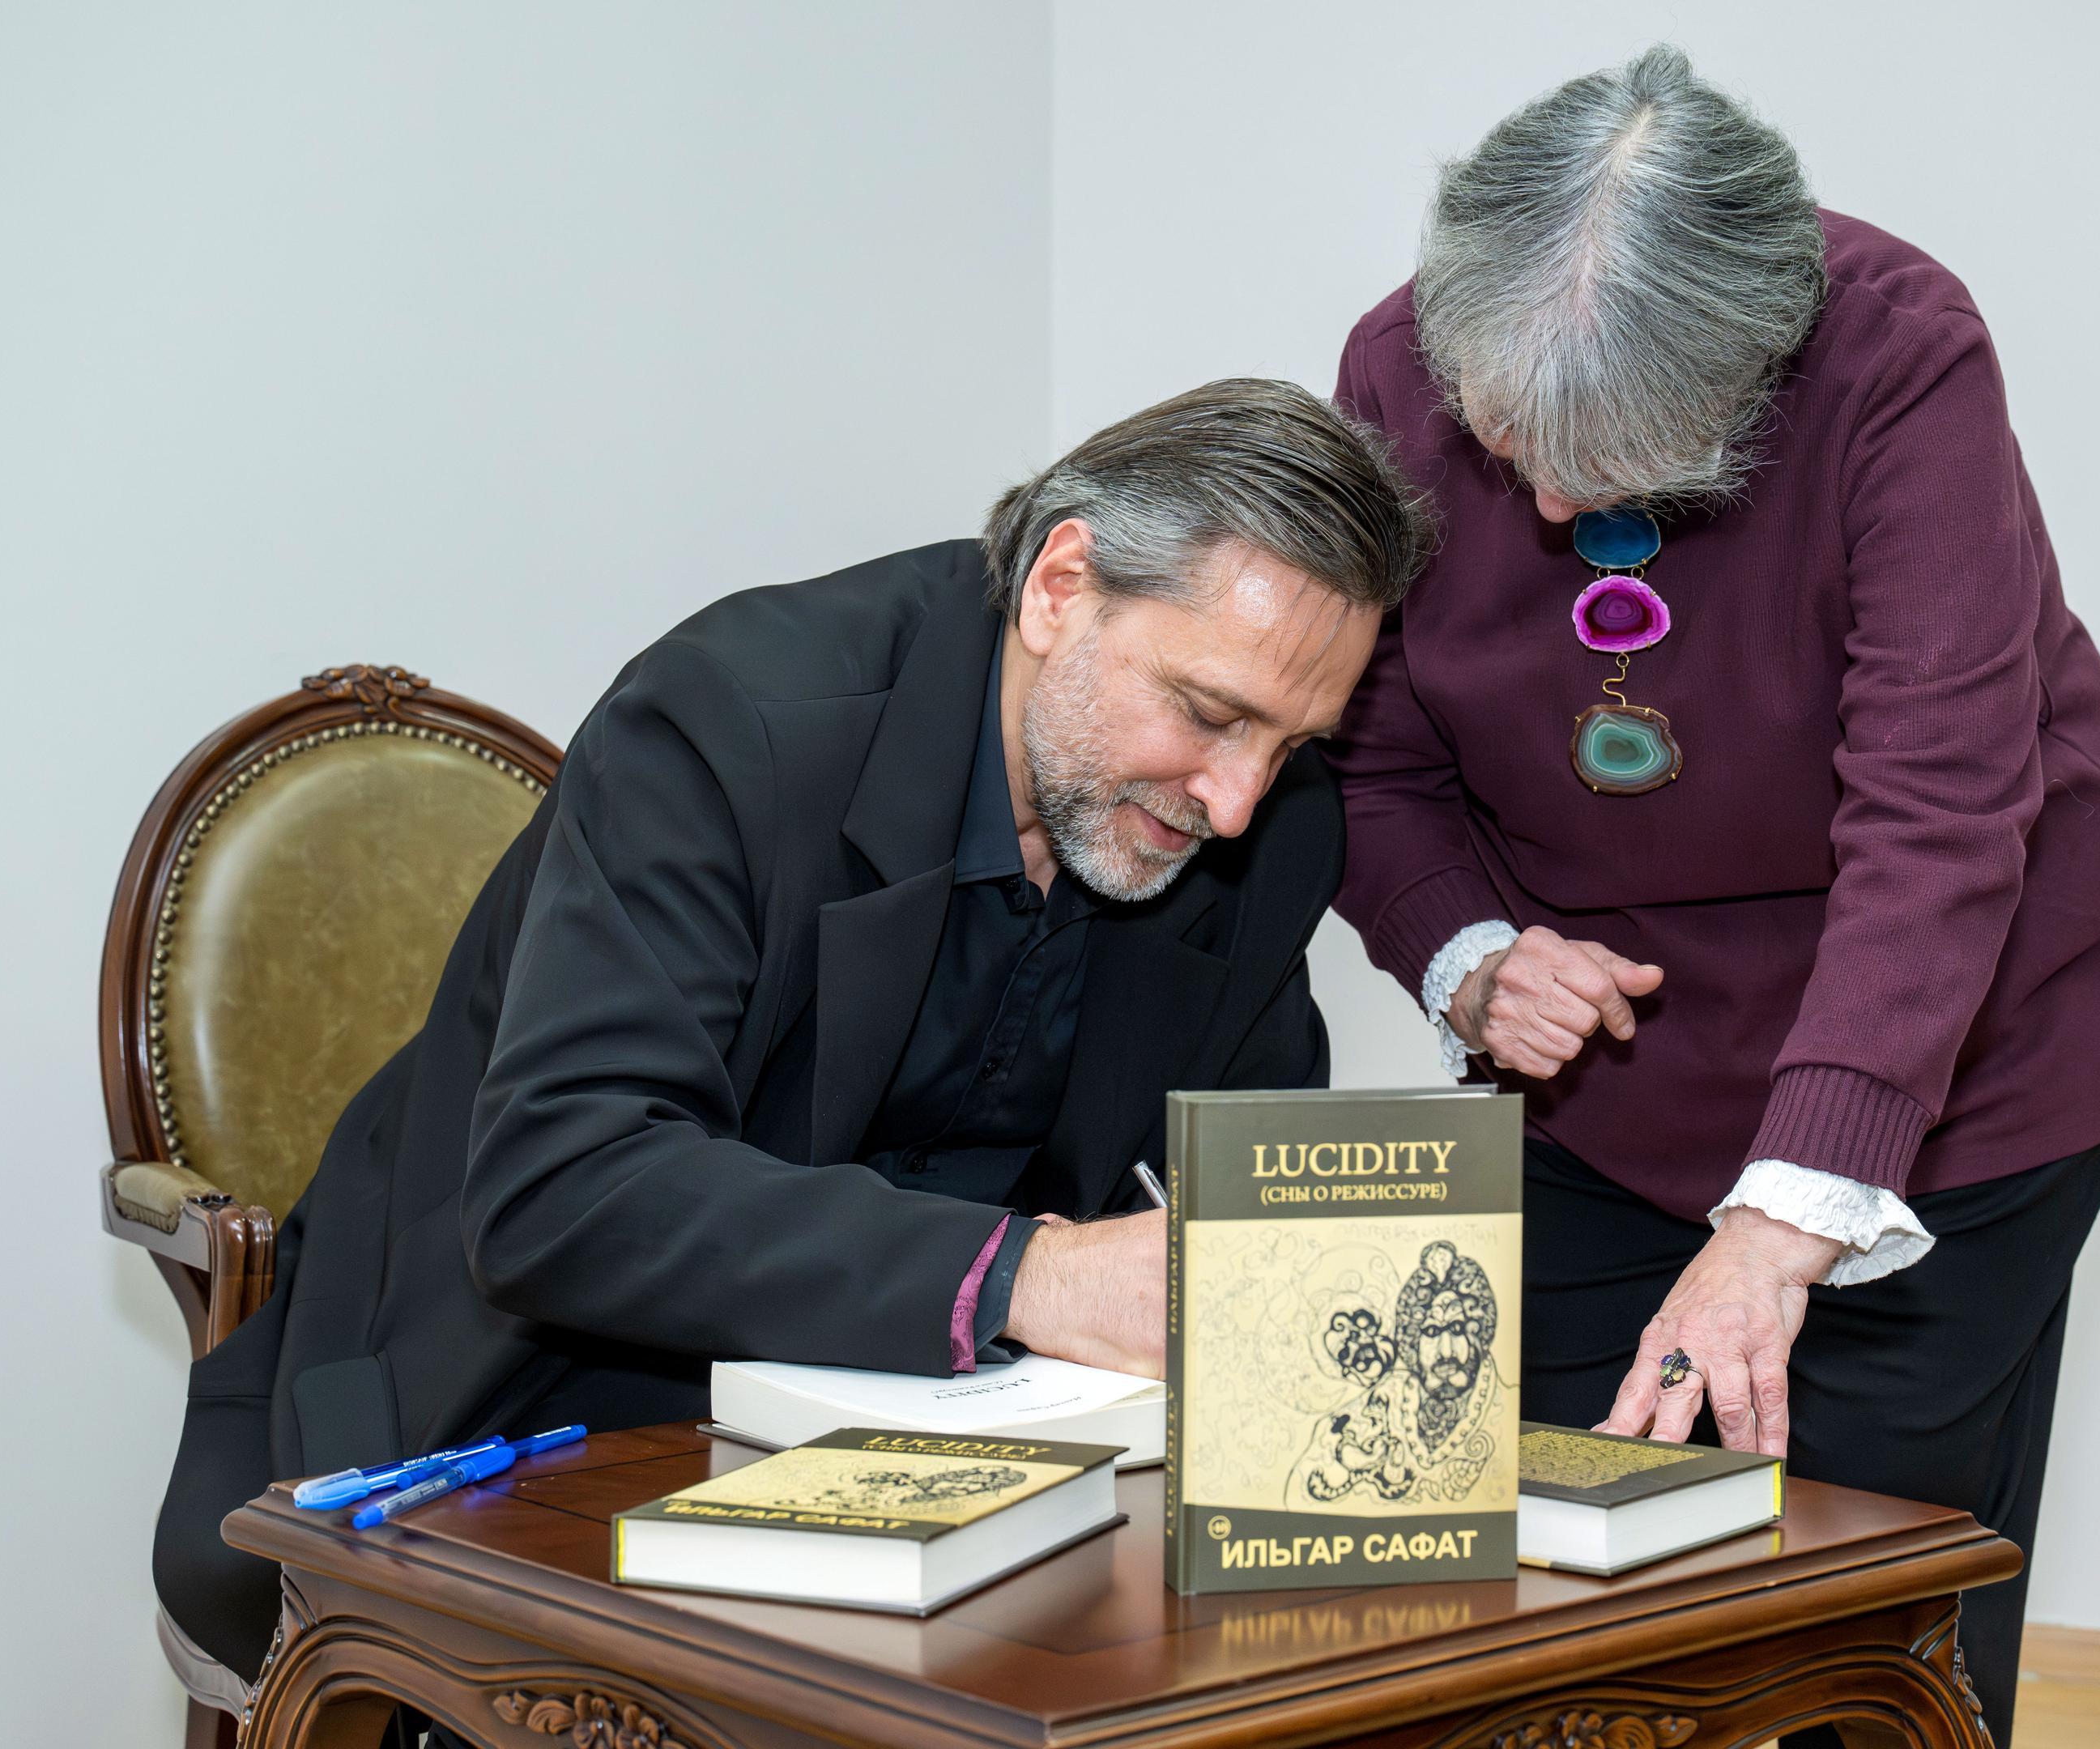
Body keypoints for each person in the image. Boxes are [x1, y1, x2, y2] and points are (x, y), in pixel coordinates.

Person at [154, 377, 1435, 1684]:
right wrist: (1033, 1277)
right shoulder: (729, 724)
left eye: (1290, 744)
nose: (1238, 800)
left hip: (967, 1452)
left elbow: (1238, 1211)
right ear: (1061, 588)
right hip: (550, 1395)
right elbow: (566, 1189)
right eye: (1210, 714)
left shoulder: (1268, 830)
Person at [1324, 49, 2100, 1747]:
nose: (1550, 504)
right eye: (1512, 446)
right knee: (1533, 1604)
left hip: (1947, 1080)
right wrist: (1468, 958)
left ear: (1749, 375)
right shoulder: (1393, 369)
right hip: (1606, 1092)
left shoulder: (1899, 354)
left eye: (1614, 463)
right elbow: (1369, 758)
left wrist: (1785, 1226)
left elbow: (1941, 809)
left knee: (1866, 1617)